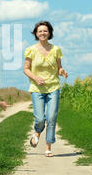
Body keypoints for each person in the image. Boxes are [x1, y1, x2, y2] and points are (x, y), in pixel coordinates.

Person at [23, 21, 68, 157]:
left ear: (49, 33)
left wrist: (62, 71)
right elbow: (26, 69)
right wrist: (36, 78)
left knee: (52, 117)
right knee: (40, 119)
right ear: (36, 34)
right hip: (37, 89)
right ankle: (37, 133)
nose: (43, 33)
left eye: (45, 31)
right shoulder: (31, 50)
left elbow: (59, 67)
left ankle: (48, 146)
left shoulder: (56, 50)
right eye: (40, 31)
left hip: (53, 87)